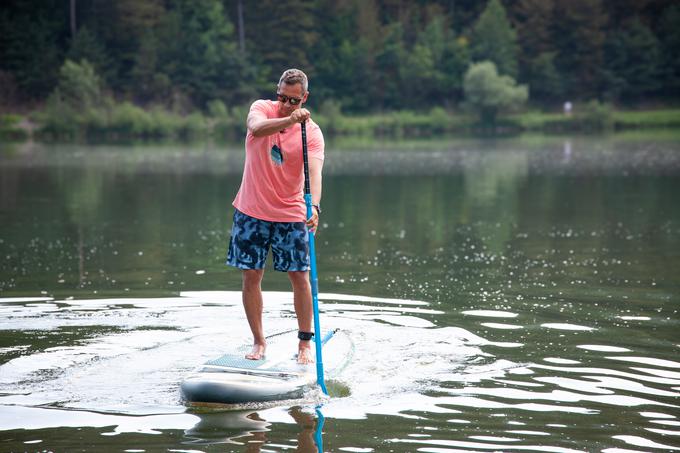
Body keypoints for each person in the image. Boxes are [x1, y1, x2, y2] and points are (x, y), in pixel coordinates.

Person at [226, 68, 324, 364]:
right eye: (281, 96)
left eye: (293, 100)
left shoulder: (313, 133)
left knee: (300, 278)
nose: (285, 103)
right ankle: (259, 342)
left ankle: (305, 344)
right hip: (251, 210)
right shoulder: (261, 108)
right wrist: (289, 118)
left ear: (304, 97)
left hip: (291, 212)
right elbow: (256, 129)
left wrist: (315, 207)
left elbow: (316, 174)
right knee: (251, 276)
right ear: (277, 91)